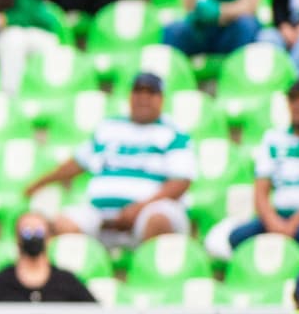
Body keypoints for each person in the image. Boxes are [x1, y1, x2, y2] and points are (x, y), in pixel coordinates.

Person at [28, 72, 193, 248]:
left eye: (150, 93)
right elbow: (78, 162)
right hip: (100, 214)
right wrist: (39, 184)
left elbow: (180, 182)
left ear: (161, 99)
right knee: (62, 224)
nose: (143, 98)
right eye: (138, 92)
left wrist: (138, 209)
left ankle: (148, 270)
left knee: (158, 219)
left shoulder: (173, 133)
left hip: (147, 213)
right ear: (130, 96)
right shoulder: (109, 127)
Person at [228, 78, 299, 263]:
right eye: (294, 100)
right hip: (280, 215)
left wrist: (295, 222)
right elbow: (260, 190)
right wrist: (273, 222)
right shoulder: (273, 138)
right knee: (238, 238)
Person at [0, 211, 96, 303]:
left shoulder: (67, 281)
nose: (33, 236)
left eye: (39, 232)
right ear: (17, 238)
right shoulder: (0, 283)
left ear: (49, 237)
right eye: (26, 232)